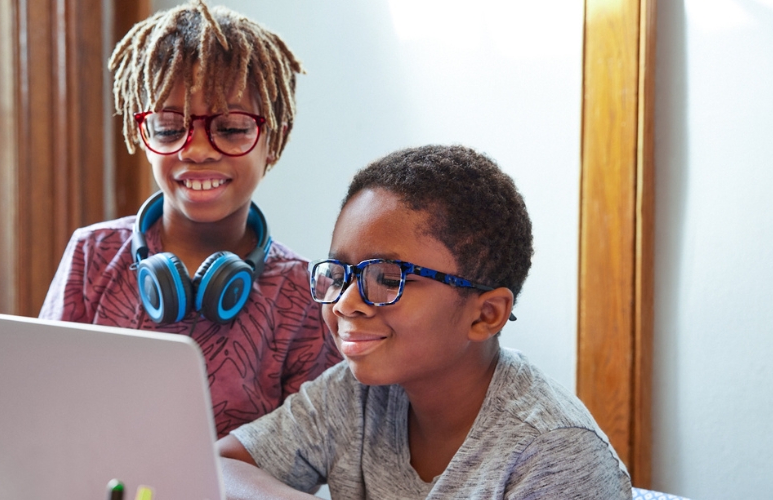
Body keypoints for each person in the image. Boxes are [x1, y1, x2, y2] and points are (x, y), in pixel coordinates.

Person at [217, 145, 632, 498]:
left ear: (485, 315)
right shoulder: (354, 394)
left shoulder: (553, 453)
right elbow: (216, 466)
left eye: (388, 279)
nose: (345, 303)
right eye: (340, 274)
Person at [39, 0, 340, 438]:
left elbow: (306, 459)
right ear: (143, 138)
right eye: (168, 128)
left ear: (272, 140)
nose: (196, 150)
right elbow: (42, 405)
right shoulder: (92, 256)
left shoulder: (300, 296)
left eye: (233, 129)